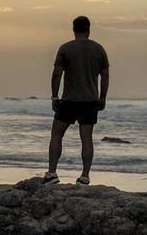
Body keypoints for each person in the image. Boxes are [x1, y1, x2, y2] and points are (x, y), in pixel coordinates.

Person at [44, 15, 109, 184]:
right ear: (88, 29)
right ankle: (84, 176)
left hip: (69, 100)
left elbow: (57, 74)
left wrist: (54, 96)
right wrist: (102, 97)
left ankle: (52, 173)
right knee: (86, 138)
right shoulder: (99, 49)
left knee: (56, 135)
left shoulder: (65, 48)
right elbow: (105, 75)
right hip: (90, 101)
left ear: (73, 29)